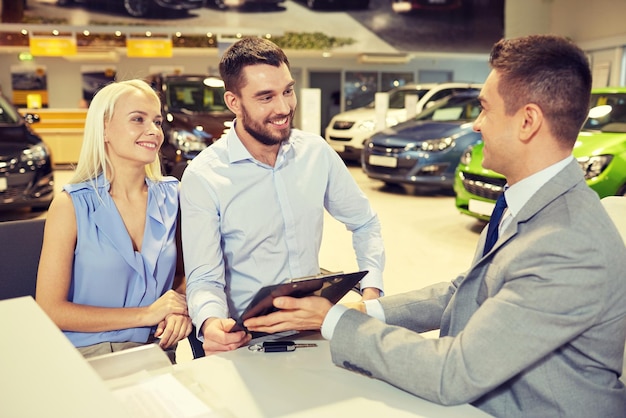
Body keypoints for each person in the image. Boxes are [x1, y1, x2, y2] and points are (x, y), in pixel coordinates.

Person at [245, 35, 626, 417]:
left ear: (528, 121)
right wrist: (365, 311)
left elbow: (453, 372)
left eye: (485, 109)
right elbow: (466, 292)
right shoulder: (526, 201)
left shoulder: (568, 244)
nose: (476, 125)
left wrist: (333, 320)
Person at [180, 37, 385, 355]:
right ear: (234, 102)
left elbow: (364, 222)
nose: (284, 108)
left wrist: (372, 291)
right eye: (266, 97)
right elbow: (204, 276)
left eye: (288, 91)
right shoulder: (203, 177)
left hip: (314, 328)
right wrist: (210, 322)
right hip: (247, 340)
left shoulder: (315, 152)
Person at [36, 79, 192, 362]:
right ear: (104, 129)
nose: (153, 131)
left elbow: (184, 276)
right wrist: (146, 314)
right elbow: (50, 310)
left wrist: (180, 306)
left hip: (155, 353)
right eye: (138, 119)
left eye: (157, 121)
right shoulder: (70, 205)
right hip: (86, 357)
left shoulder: (174, 196)